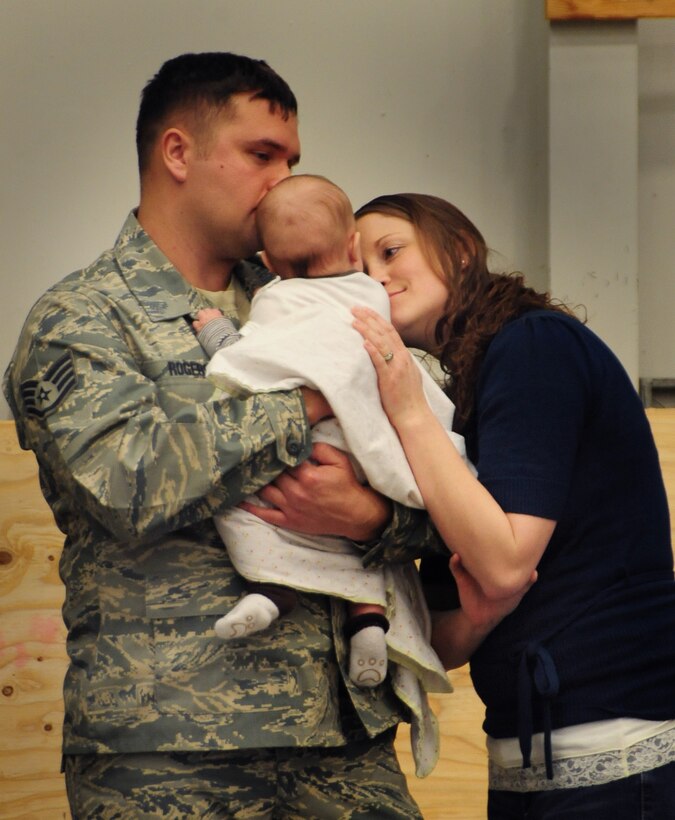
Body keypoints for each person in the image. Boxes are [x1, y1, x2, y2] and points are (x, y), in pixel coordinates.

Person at [3, 53, 444, 819]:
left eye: (292, 161)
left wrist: (373, 518)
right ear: (177, 153)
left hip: (344, 741)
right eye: (259, 155)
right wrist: (314, 396)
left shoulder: (317, 304)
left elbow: (439, 480)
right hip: (169, 746)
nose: (282, 181)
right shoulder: (82, 317)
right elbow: (127, 482)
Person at [350, 192, 675, 818]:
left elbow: (504, 564)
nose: (376, 277)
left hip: (619, 749)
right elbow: (443, 640)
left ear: (463, 250)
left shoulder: (532, 346)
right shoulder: (456, 406)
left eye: (391, 251)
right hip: (524, 765)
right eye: (360, 269)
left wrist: (405, 406)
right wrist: (481, 615)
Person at [192, 174, 465, 776]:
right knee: (362, 550)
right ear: (349, 248)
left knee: (249, 514)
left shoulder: (271, 300)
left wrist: (213, 329)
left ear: (269, 262)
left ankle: (272, 593)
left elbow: (238, 355)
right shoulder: (370, 301)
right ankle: (369, 623)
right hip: (358, 439)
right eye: (262, 154)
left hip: (306, 453)